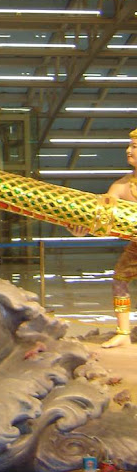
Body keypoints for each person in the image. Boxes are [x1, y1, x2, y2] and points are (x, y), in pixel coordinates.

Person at [101, 127, 137, 348]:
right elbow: (102, 216)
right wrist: (78, 227)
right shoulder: (121, 186)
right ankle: (123, 331)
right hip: (136, 246)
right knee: (120, 279)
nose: (128, 150)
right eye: (129, 145)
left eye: (135, 146)